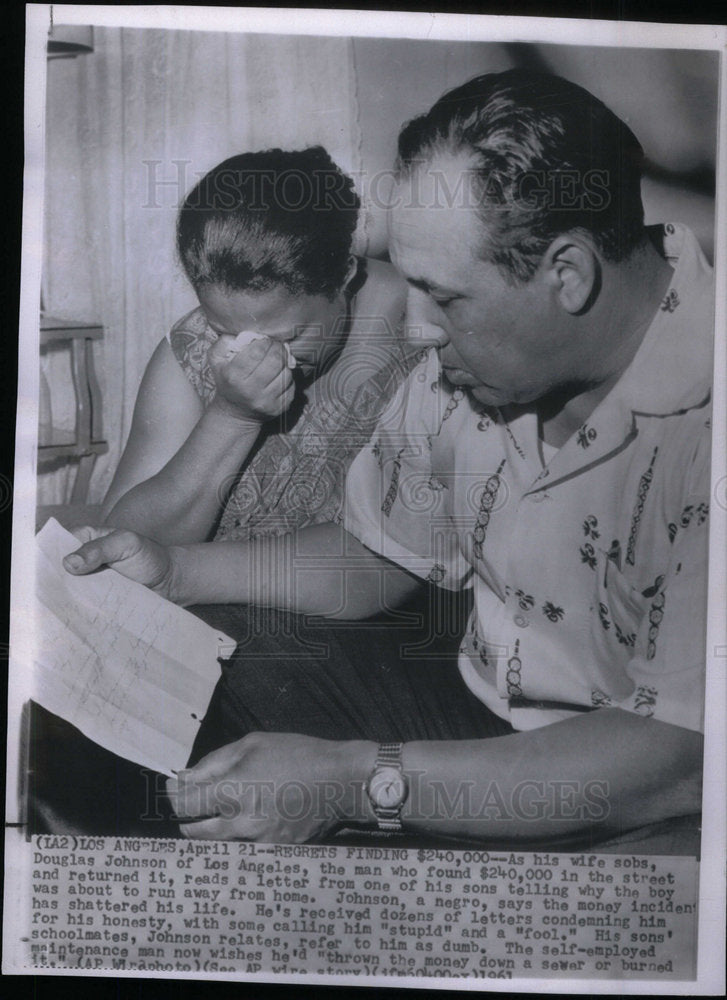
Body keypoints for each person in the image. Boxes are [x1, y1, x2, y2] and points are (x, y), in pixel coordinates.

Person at [65, 70, 711, 849]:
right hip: (480, 711)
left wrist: (356, 781)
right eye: (406, 287)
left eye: (444, 297)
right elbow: (380, 555)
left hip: (649, 786)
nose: (414, 331)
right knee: (173, 673)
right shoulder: (465, 370)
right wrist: (175, 570)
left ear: (565, 275)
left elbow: (678, 758)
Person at [101, 145, 412, 545]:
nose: (251, 355)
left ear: (343, 276)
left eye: (286, 337)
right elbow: (122, 541)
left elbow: (398, 563)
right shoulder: (194, 344)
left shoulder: (429, 333)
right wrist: (229, 417)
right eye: (224, 330)